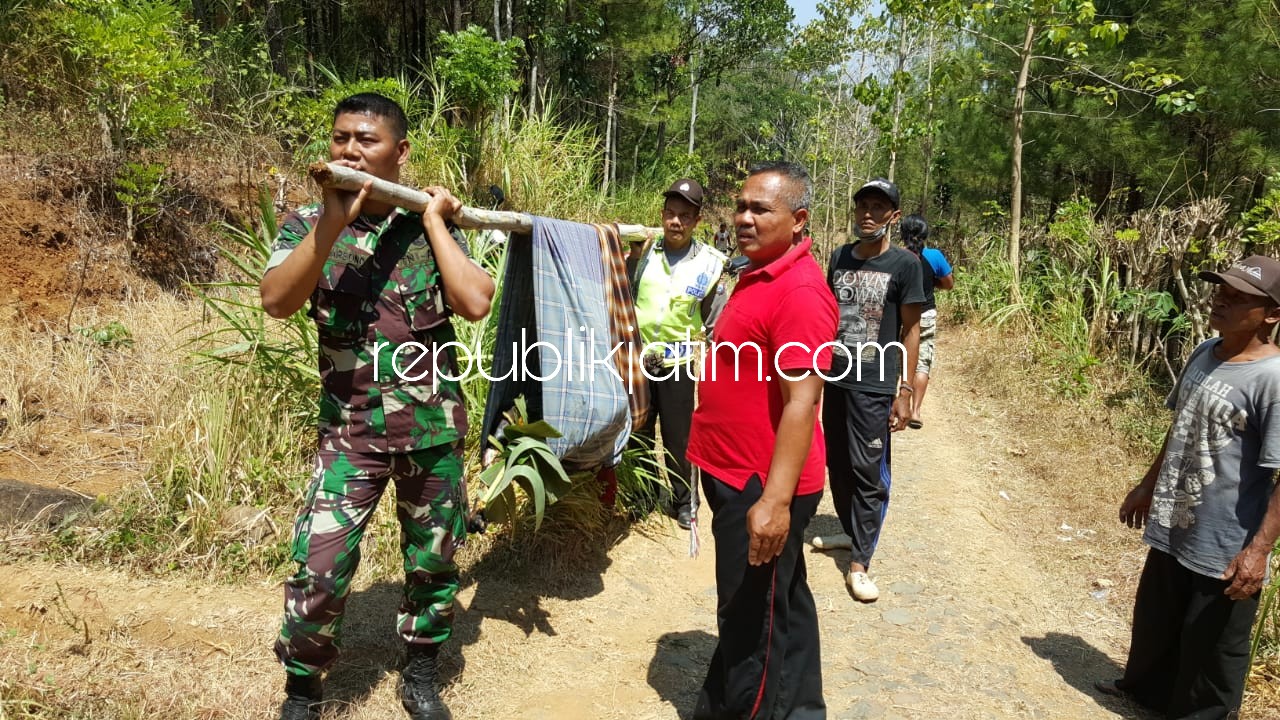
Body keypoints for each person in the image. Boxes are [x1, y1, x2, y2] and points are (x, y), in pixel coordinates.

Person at [259, 93, 495, 720]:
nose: (350, 150)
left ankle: (421, 670)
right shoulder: (308, 221)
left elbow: (475, 302)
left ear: (400, 152)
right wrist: (331, 224)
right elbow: (277, 301)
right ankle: (303, 690)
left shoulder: (428, 224)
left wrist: (439, 221)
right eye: (341, 138)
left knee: (433, 562)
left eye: (366, 139)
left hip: (432, 431)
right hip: (350, 433)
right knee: (320, 565)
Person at [685, 161, 837, 719]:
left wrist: (772, 502)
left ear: (798, 220)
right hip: (734, 472)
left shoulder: (798, 290)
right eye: (741, 205)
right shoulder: (756, 271)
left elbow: (803, 401)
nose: (743, 217)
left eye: (760, 209)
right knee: (783, 606)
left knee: (751, 621)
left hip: (761, 481)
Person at [1098, 255, 1280, 720]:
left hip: (1226, 539)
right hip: (1177, 518)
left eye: (1240, 298)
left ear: (1272, 314)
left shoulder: (1272, 379)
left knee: (1216, 643)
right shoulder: (1205, 351)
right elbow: (1181, 425)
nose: (1222, 300)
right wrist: (1147, 484)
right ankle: (1143, 693)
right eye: (1222, 290)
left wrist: (1258, 551)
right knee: (1158, 616)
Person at [809, 177, 923, 603]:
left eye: (878, 207)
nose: (868, 214)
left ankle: (860, 563)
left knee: (868, 472)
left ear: (893, 215)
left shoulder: (905, 265)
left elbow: (911, 329)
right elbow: (826, 312)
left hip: (874, 384)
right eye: (862, 206)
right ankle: (849, 529)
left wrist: (906, 389)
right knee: (837, 462)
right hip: (835, 377)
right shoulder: (839, 256)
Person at [628, 178, 727, 528]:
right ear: (662, 214)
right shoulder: (642, 254)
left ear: (697, 220)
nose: (675, 222)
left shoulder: (711, 263)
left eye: (684, 216)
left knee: (678, 437)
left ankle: (685, 500)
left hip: (678, 363)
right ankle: (641, 494)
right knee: (637, 430)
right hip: (639, 361)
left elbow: (717, 321)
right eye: (670, 213)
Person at [898, 214, 953, 429]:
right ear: (925, 234)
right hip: (925, 314)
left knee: (895, 358)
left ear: (902, 234)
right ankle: (916, 410)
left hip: (900, 315)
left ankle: (893, 401)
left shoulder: (897, 256)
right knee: (923, 362)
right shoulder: (934, 256)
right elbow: (948, 284)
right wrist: (932, 284)